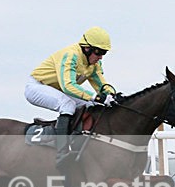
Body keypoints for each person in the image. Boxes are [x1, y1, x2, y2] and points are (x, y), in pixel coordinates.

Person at [24, 26, 117, 168]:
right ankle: (61, 154)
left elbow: (101, 85)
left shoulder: (95, 64)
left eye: (104, 52)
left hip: (57, 89)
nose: (101, 56)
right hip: (37, 87)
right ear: (87, 48)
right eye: (99, 52)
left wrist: (111, 95)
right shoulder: (71, 55)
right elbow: (68, 85)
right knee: (68, 105)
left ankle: (77, 143)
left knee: (91, 106)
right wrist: (96, 97)